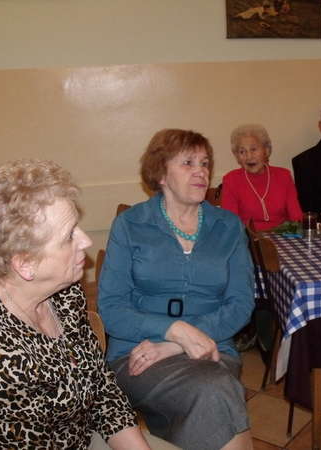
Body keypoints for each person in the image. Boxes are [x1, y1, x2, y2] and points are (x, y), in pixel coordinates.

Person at [0, 160, 157, 449]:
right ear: (26, 263)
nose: (86, 241)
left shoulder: (62, 292)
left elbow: (102, 388)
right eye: (69, 236)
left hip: (83, 435)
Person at [98, 129, 255, 450]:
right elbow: (111, 308)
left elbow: (240, 304)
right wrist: (173, 330)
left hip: (213, 345)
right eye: (188, 163)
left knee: (213, 389)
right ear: (161, 174)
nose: (201, 172)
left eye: (205, 163)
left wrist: (177, 343)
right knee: (218, 390)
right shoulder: (131, 224)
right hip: (137, 352)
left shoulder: (228, 226)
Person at [221, 123, 303, 231]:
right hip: (248, 238)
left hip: (283, 236)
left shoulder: (284, 176)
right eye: (242, 152)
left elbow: (296, 218)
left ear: (266, 151)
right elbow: (231, 224)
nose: (249, 156)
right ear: (237, 157)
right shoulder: (231, 180)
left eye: (253, 149)